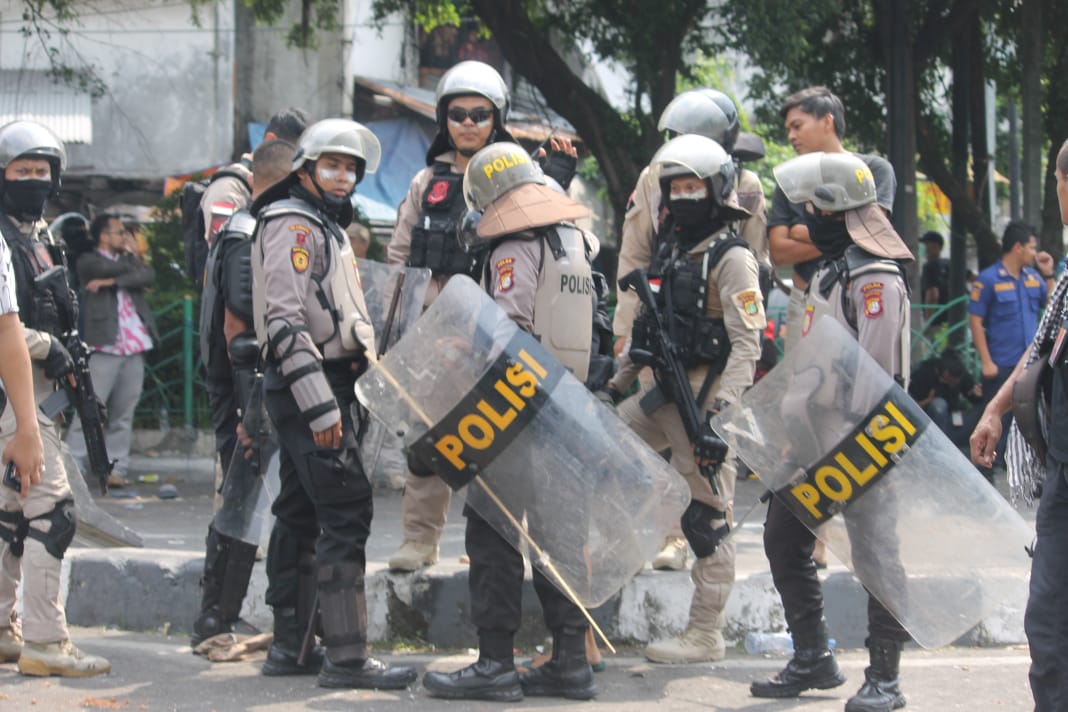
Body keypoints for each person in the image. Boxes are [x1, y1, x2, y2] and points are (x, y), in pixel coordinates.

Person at [421, 141, 598, 702]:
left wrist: (460, 347)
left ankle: (495, 662)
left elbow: (508, 326)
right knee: (556, 536)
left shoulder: (514, 244)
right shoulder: (572, 239)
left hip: (516, 405)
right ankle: (571, 660)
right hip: (566, 401)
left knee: (493, 532)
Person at [385, 60, 577, 572]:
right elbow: (399, 260)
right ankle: (420, 539)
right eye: (457, 114)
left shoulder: (519, 177)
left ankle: (497, 544)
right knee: (424, 441)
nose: (468, 123)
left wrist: (556, 185)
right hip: (434, 330)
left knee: (500, 447)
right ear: (443, 119)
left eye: (480, 114)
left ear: (498, 118)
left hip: (498, 335)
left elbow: (561, 244)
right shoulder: (427, 182)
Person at [251, 118, 416, 689]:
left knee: (299, 512)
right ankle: (346, 658)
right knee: (346, 510)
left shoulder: (323, 223)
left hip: (324, 382)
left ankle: (291, 647)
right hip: (310, 387)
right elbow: (285, 321)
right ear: (305, 169)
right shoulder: (294, 223)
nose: (343, 176)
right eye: (332, 165)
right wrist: (322, 409)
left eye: (351, 168)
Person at [751, 151, 914, 712]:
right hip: (813, 438)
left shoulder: (875, 277)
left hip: (862, 439)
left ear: (840, 209)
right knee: (782, 537)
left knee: (876, 555)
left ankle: (886, 677)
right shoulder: (831, 268)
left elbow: (874, 375)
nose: (807, 215)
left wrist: (848, 439)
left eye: (816, 206)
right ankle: (813, 656)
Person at [607, 133, 765, 664]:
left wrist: (722, 416)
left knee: (708, 519)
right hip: (661, 395)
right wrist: (612, 384)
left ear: (717, 189)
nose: (683, 196)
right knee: (600, 449)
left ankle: (705, 633)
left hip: (707, 406)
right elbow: (649, 330)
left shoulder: (733, 257)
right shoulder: (670, 248)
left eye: (694, 185)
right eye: (675, 186)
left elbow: (748, 344)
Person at [0, 120, 109, 676]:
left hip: (35, 390)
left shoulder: (37, 237)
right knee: (54, 514)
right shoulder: (2, 239)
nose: (35, 181)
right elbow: (5, 329)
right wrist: (47, 346)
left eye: (43, 171)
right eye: (23, 171)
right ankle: (46, 641)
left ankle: (3, 628)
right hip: (16, 398)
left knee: (12, 515)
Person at [971, 138, 1068, 712]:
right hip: (1061, 472)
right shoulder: (1061, 285)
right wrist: (995, 407)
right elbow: (1040, 351)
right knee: (1048, 619)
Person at [190, 138, 298, 647]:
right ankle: (216, 615)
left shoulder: (246, 228)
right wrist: (250, 412)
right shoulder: (251, 229)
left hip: (240, 386)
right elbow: (240, 323)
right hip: (244, 388)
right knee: (242, 498)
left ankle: (220, 615)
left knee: (246, 498)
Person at [64, 214, 158, 490]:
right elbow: (107, 271)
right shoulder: (89, 260)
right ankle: (73, 467)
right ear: (104, 236)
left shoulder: (127, 261)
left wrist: (111, 283)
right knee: (90, 408)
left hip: (134, 346)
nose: (124, 237)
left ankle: (116, 468)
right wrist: (125, 274)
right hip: (103, 344)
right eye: (119, 232)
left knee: (123, 413)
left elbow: (147, 274)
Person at [969, 220, 1054, 471]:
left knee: (1031, 424)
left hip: (1029, 367)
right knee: (996, 424)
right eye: (1031, 247)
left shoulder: (1033, 278)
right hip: (1001, 364)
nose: (1034, 253)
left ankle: (1023, 473)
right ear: (1018, 247)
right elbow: (975, 321)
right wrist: (986, 361)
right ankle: (987, 475)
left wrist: (1048, 274)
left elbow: (1053, 308)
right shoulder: (988, 280)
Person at [200, 108, 310, 249]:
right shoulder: (229, 188)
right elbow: (221, 254)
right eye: (297, 154)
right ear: (270, 140)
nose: (301, 164)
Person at [908, 349, 982, 449]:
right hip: (927, 417)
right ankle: (936, 444)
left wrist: (977, 395)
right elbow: (911, 405)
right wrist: (928, 400)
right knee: (939, 405)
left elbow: (971, 396)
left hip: (952, 417)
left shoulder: (960, 375)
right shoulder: (925, 372)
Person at [919, 231, 950, 325]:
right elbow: (973, 277)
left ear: (935, 246)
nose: (922, 248)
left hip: (937, 323)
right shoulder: (951, 263)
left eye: (925, 244)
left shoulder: (929, 266)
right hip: (954, 320)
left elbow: (932, 295)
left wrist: (928, 323)